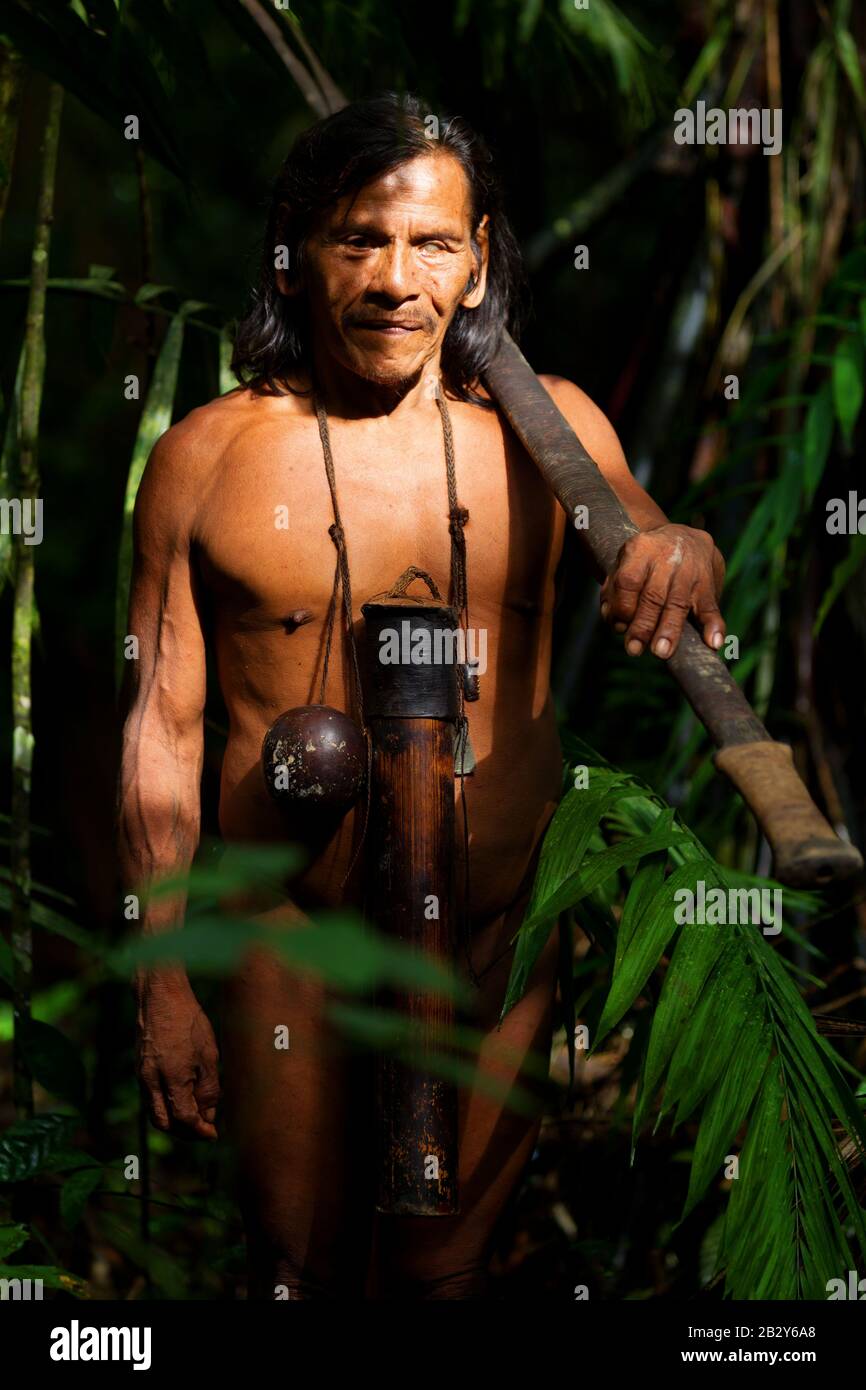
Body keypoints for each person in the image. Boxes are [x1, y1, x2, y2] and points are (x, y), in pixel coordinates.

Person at [119, 93, 726, 1299]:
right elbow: (162, 729)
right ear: (296, 254)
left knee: (443, 1276)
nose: (396, 280)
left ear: (477, 259)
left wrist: (684, 545)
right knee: (299, 1263)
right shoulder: (210, 457)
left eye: (432, 244)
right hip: (290, 936)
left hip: (494, 940)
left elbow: (652, 544)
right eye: (360, 240)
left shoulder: (548, 434)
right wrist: (165, 982)